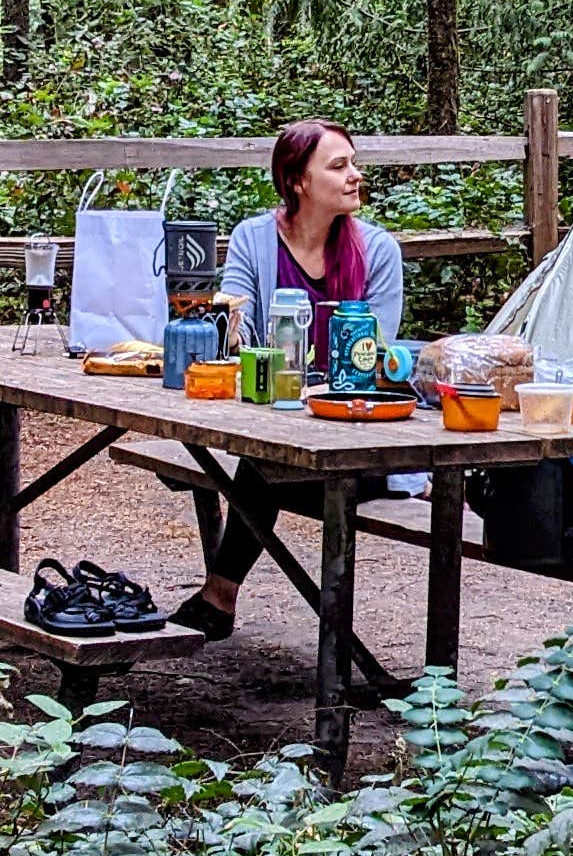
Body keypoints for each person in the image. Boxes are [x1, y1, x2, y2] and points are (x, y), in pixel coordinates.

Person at [169, 120, 408, 637]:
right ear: (298, 180)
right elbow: (238, 330)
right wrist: (231, 328)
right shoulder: (254, 238)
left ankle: (219, 596)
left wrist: (307, 387)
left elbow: (374, 353)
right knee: (263, 460)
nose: (355, 175)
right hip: (277, 426)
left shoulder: (378, 250)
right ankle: (220, 595)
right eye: (338, 166)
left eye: (353, 163)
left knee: (259, 469)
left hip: (354, 437)